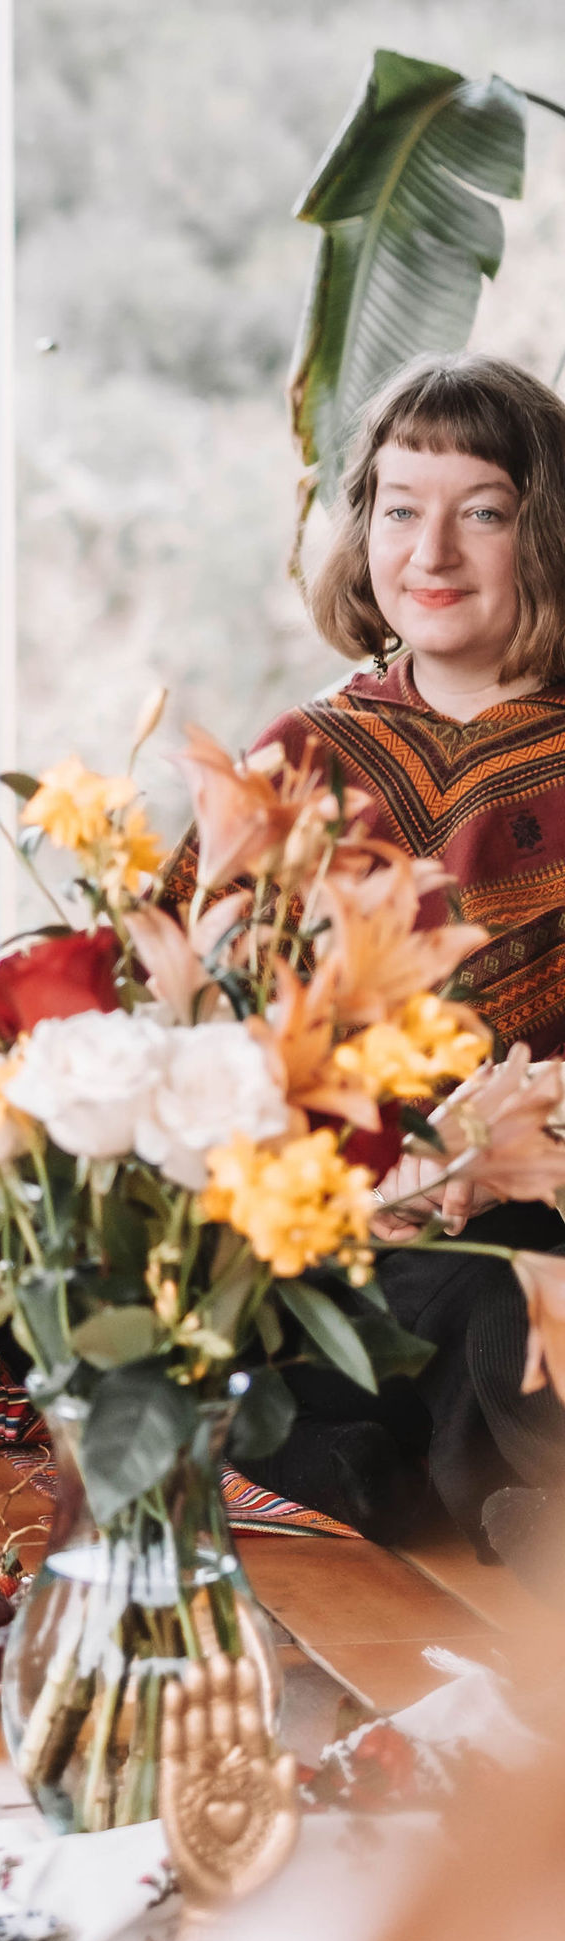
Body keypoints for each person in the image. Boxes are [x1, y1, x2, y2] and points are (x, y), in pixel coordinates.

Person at [227, 353, 565, 1560]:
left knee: (505, 1304)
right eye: (397, 507)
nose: (430, 555)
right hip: (324, 1227)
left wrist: (501, 1156)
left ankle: (408, 1477)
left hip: (520, 1218)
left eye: (481, 512)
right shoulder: (298, 754)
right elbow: (196, 1016)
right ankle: (399, 1474)